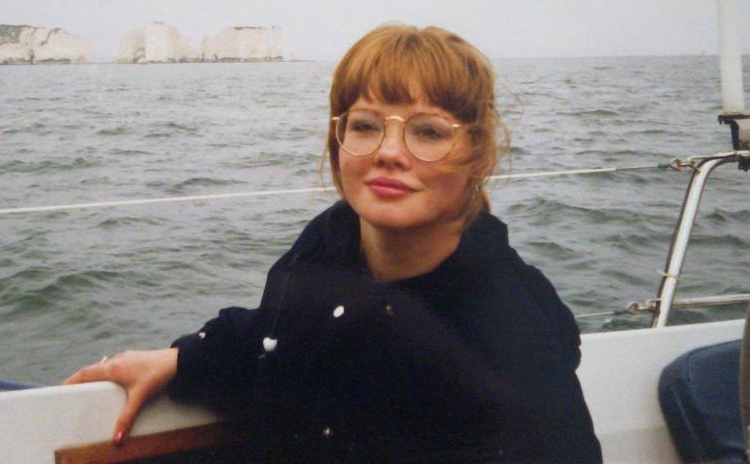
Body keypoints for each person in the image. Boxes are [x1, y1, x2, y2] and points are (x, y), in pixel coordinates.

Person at [64, 24, 602, 463]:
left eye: (429, 132)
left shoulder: (509, 338)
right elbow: (286, 333)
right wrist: (185, 359)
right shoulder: (329, 247)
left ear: (477, 156)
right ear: (338, 139)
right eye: (366, 126)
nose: (390, 152)